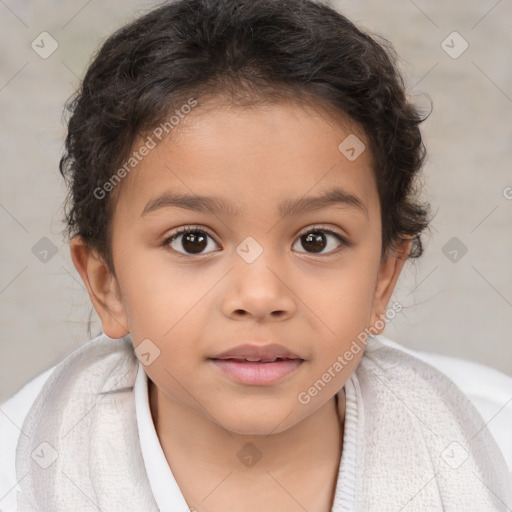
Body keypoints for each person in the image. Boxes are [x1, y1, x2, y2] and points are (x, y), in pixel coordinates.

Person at [2, 0, 511, 510]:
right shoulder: (20, 474)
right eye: (192, 240)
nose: (260, 296)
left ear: (383, 279)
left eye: (316, 240)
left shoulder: (493, 446)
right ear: (105, 283)